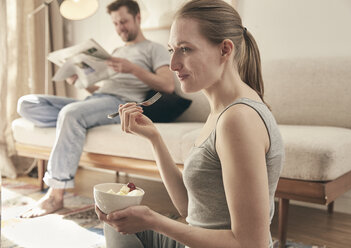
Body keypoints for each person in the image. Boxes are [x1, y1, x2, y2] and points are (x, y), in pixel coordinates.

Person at [95, 0, 284, 247]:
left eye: (185, 49)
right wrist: (154, 138)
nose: (173, 65)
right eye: (172, 49)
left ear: (225, 50)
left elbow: (250, 244)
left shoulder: (238, 119)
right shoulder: (223, 110)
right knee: (117, 222)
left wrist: (154, 220)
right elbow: (189, 208)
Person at [17, 0, 175, 218]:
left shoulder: (154, 49)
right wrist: (80, 81)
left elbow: (168, 85)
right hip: (98, 99)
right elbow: (99, 90)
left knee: (70, 114)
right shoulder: (117, 50)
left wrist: (133, 69)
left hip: (120, 102)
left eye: (124, 21)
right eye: (116, 23)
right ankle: (74, 124)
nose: (120, 27)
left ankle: (55, 196)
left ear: (138, 17)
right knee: (27, 104)